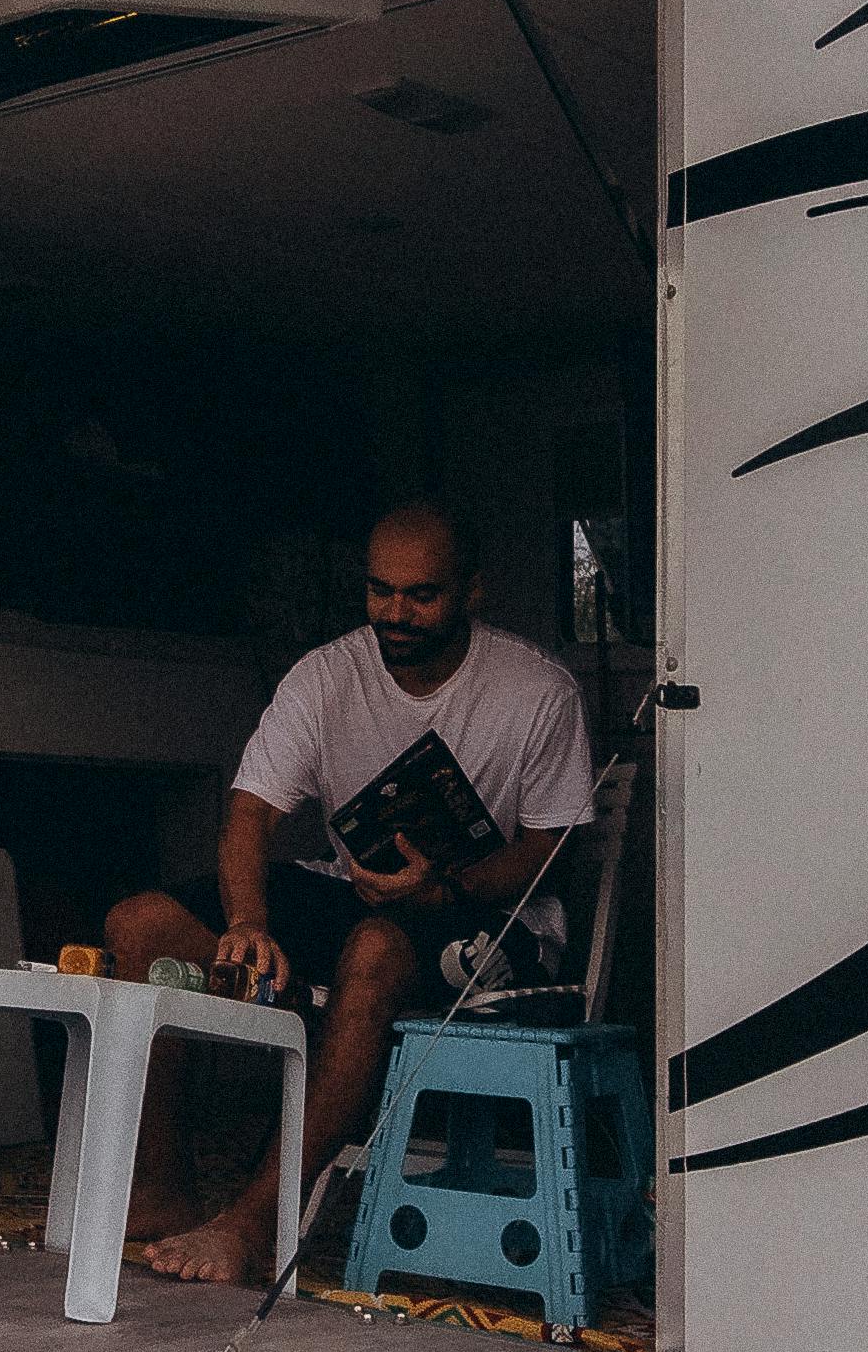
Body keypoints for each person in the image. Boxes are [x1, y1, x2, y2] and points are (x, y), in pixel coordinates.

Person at [101, 500, 592, 1285]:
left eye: (421, 595)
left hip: (492, 919)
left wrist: (444, 883)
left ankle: (255, 1227)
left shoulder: (537, 691)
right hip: (359, 892)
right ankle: (162, 1189)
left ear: (471, 592)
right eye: (379, 591)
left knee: (370, 951)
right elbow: (250, 813)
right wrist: (249, 921)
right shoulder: (328, 674)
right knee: (141, 924)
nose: (394, 613)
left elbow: (550, 853)